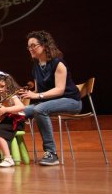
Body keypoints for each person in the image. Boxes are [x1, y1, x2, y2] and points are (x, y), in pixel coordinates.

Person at [20, 30, 82, 166]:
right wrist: (25, 93)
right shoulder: (35, 66)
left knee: (40, 109)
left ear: (45, 45)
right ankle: (10, 152)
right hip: (50, 102)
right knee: (19, 113)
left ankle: (51, 153)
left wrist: (37, 95)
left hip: (71, 101)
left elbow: (59, 90)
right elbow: (38, 90)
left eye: (33, 45)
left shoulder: (58, 63)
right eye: (28, 46)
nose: (30, 49)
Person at [0, 74, 25, 167]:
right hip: (8, 121)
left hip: (16, 121)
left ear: (8, 85)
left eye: (2, 86)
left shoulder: (11, 95)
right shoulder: (0, 97)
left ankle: (8, 158)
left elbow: (21, 107)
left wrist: (5, 109)